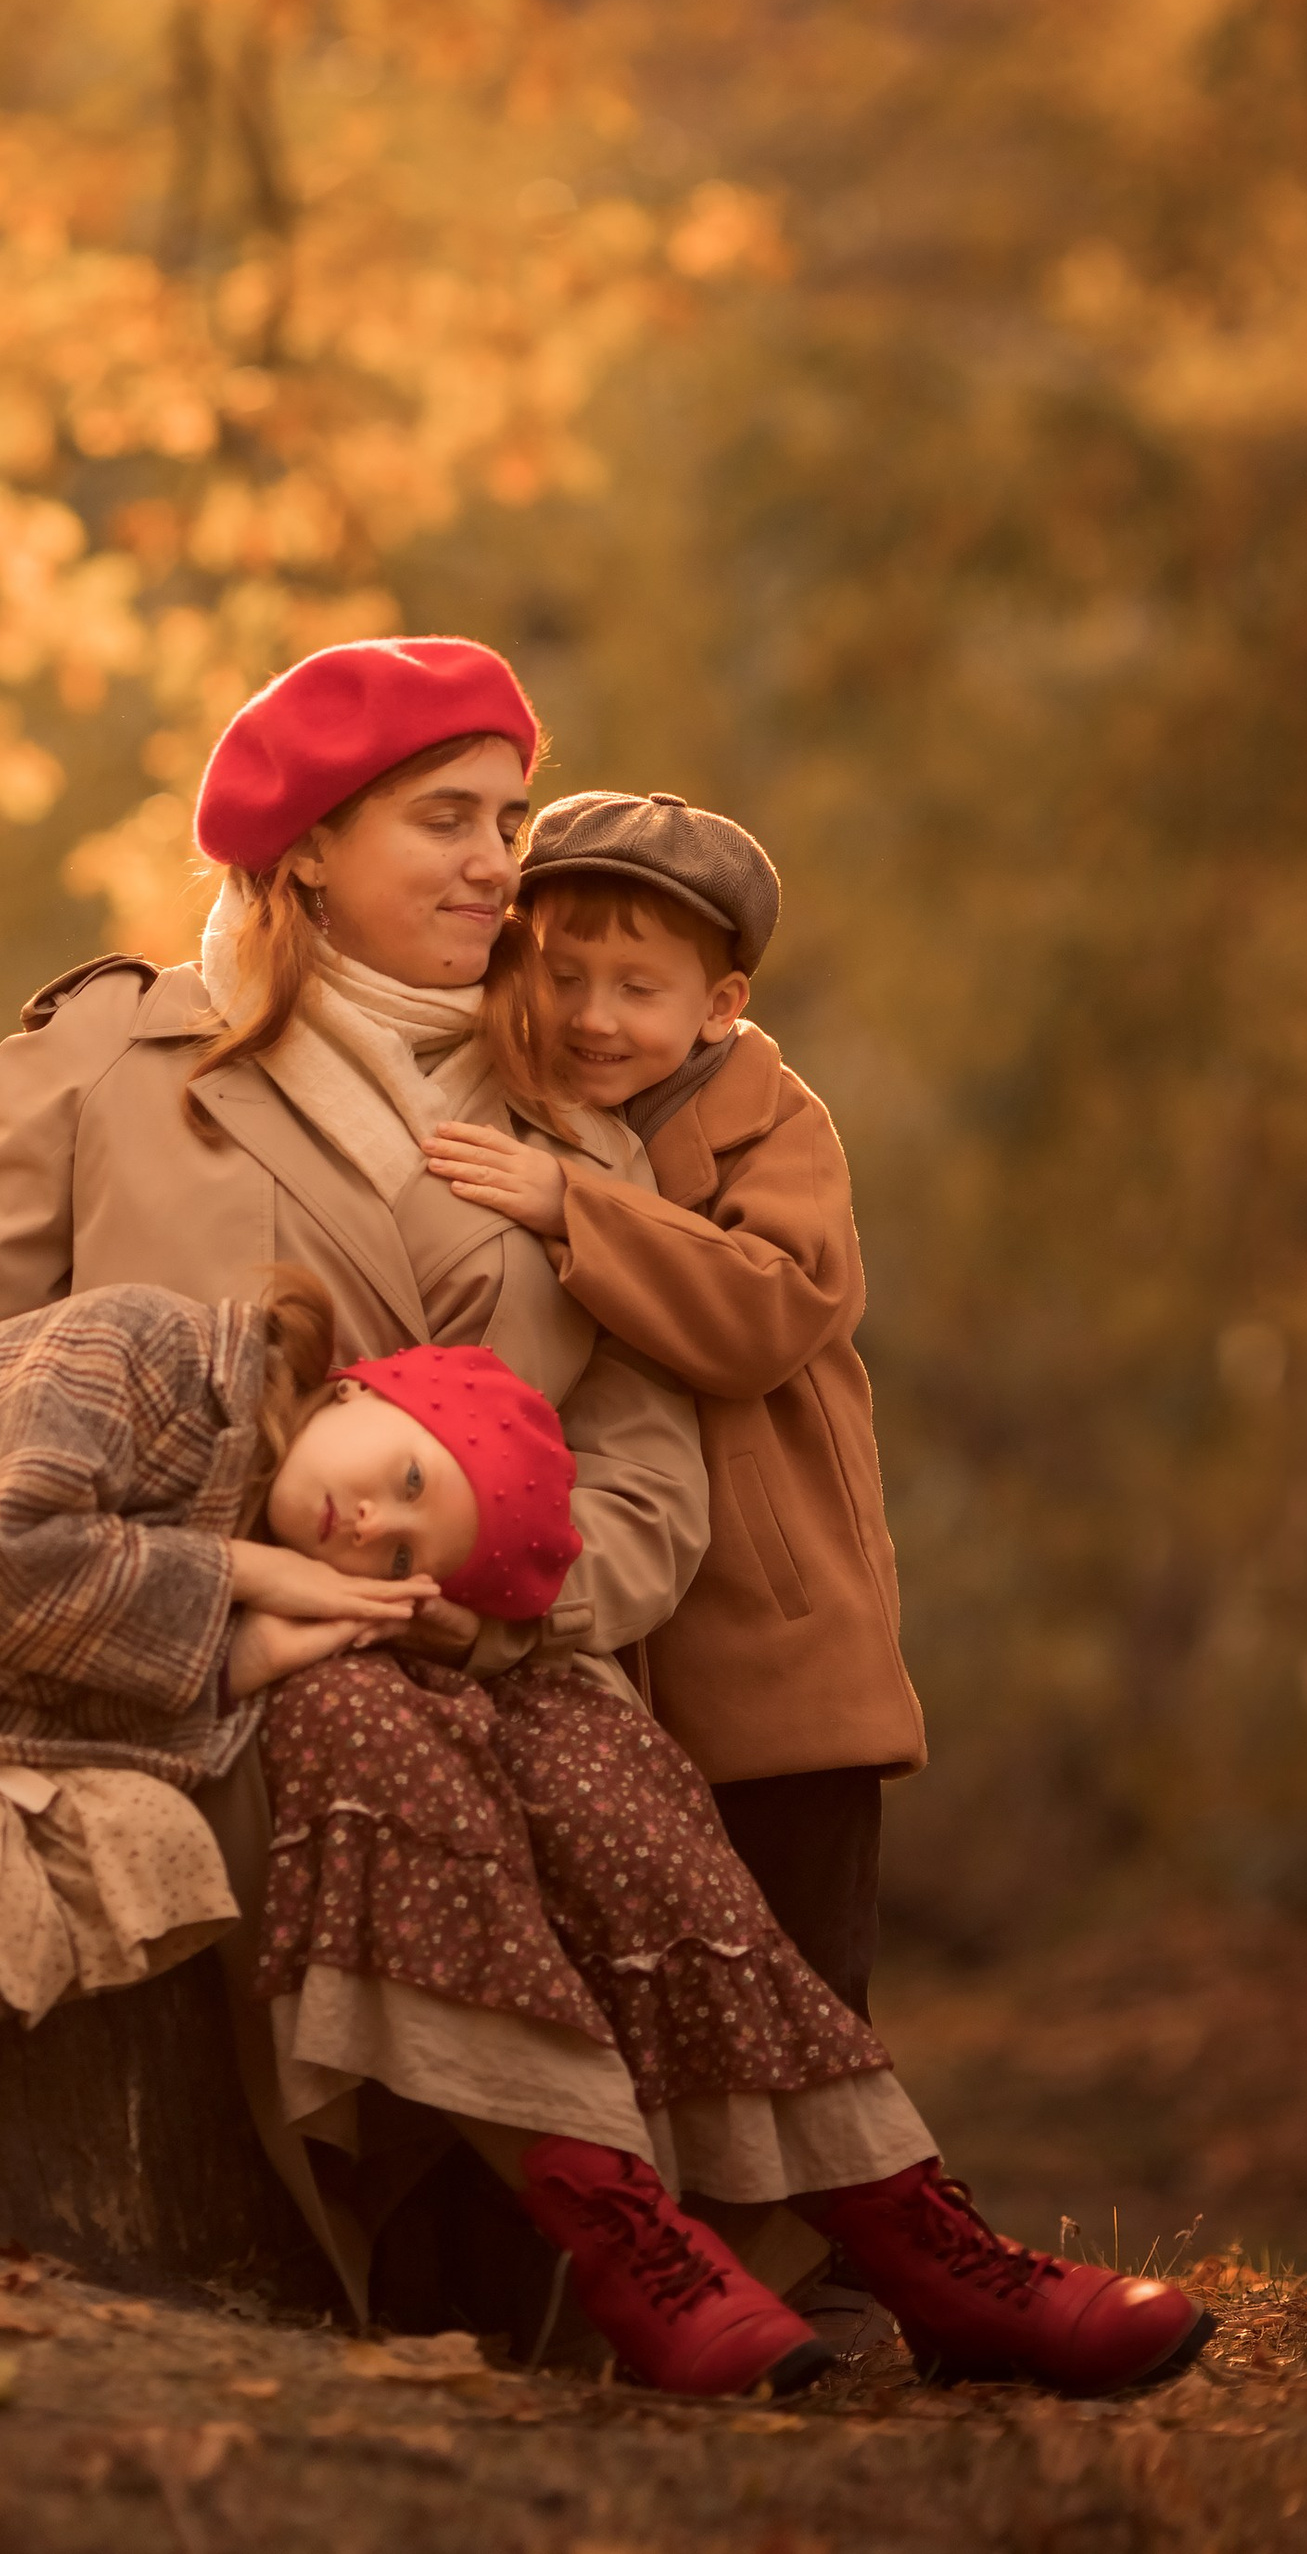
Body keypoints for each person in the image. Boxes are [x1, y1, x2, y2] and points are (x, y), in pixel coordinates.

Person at [0, 1270, 1209, 2398]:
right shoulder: (153, 1351)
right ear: (367, 1393)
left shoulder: (266, 1516)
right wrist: (256, 1589)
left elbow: (97, 1692)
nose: (368, 1531)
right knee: (40, 1845)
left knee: (140, 1864)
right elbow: (7, 1566)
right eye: (399, 1480)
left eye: (404, 1553)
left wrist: (261, 1639)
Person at [422, 788, 921, 2033]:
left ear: (718, 1004)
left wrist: (572, 1206)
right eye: (563, 975)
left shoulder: (776, 1126)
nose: (593, 1016)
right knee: (660, 2008)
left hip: (772, 1648)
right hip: (616, 1641)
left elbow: (767, 1309)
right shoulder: (516, 1108)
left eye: (636, 988)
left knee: (807, 1995)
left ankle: (842, 2167)